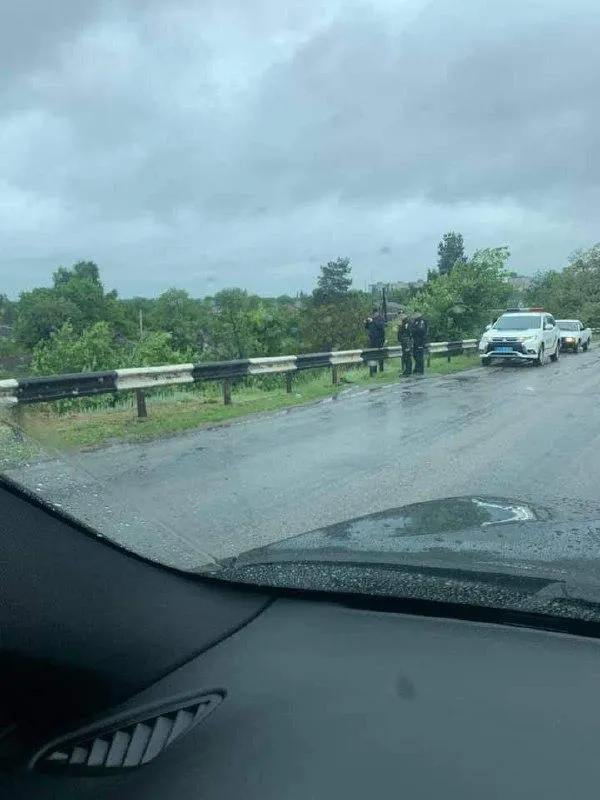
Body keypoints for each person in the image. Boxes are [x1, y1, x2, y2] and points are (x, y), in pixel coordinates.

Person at [365, 308, 386, 376]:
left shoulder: (381, 318)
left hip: (379, 340)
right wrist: (366, 322)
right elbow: (367, 328)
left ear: (376, 313)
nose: (372, 315)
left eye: (373, 314)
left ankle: (381, 369)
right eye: (372, 314)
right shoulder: (372, 319)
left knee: (380, 355)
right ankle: (373, 371)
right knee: (373, 356)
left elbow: (380, 326)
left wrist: (372, 321)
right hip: (372, 340)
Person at [411, 311, 428, 375]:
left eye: (415, 314)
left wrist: (414, 329)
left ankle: (420, 370)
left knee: (419, 356)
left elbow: (421, 330)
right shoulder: (415, 321)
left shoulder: (422, 321)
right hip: (415, 340)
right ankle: (416, 368)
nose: (414, 315)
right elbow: (411, 328)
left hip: (420, 340)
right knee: (415, 355)